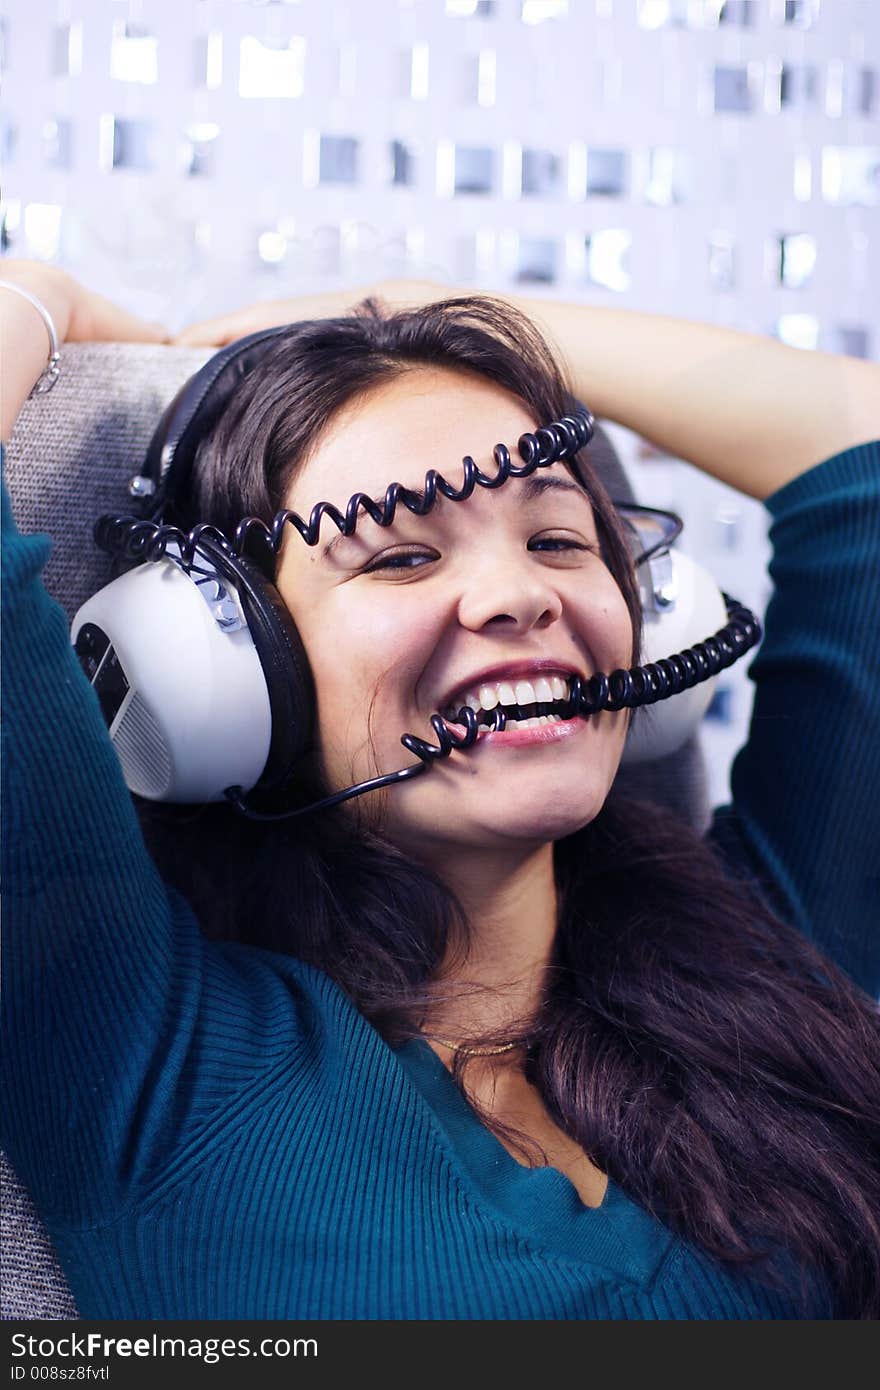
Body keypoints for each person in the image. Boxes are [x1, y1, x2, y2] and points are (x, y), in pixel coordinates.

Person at [2, 258, 879, 1321]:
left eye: (556, 540)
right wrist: (51, 299)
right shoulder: (143, 1047)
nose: (519, 596)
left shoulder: (770, 947)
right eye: (402, 556)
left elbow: (858, 443)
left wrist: (397, 314)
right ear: (220, 669)